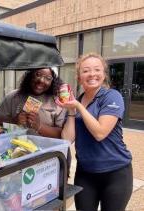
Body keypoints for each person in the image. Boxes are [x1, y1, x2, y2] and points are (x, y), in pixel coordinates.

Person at [57, 53, 133, 211]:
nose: (92, 74)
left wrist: (78, 107)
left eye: (97, 69)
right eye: (85, 71)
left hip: (116, 173)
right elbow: (67, 139)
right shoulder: (78, 100)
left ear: (104, 74)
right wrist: (71, 111)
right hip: (85, 174)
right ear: (79, 78)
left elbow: (100, 133)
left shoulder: (112, 97)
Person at [0, 67, 66, 138]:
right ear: (30, 75)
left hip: (47, 150)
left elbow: (63, 135)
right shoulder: (13, 97)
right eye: (38, 74)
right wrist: (13, 120)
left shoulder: (58, 102)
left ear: (53, 81)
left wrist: (39, 126)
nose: (41, 80)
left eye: (48, 78)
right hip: (16, 149)